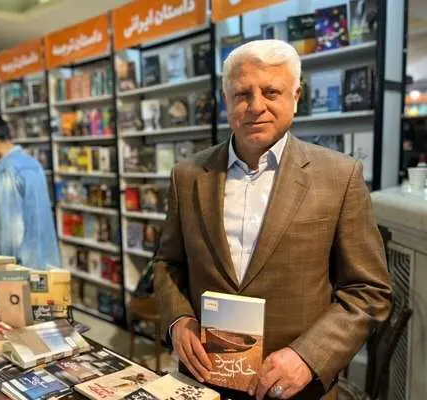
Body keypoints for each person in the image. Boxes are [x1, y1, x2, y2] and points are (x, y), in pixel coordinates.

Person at [153, 40, 392, 400]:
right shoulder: (187, 176)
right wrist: (178, 321)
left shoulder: (339, 176)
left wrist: (309, 356)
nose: (256, 106)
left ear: (296, 96)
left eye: (271, 92)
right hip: (206, 380)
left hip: (297, 388)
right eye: (242, 94)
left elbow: (368, 291)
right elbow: (167, 263)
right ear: (225, 99)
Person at [0, 112, 60, 269]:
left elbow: (9, 236)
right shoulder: (33, 163)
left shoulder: (6, 171)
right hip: (43, 263)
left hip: (18, 272)